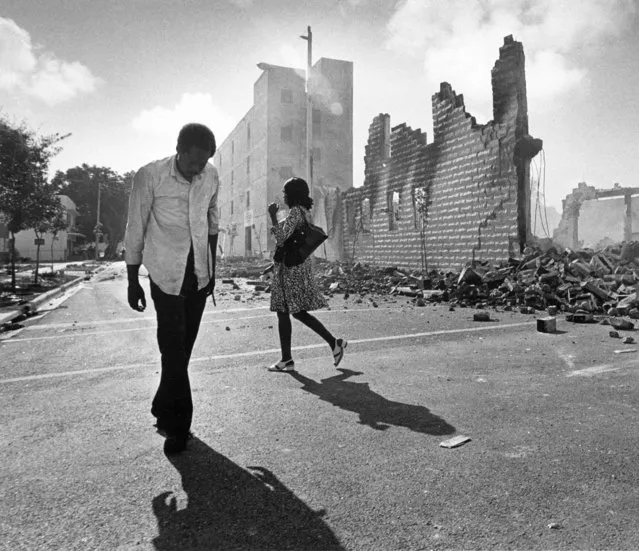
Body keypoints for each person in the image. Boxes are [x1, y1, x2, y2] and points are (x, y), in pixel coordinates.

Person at [125, 123, 219, 454]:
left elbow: (212, 219)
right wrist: (132, 277)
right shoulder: (149, 175)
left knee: (182, 352)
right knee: (172, 351)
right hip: (165, 275)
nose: (198, 170)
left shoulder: (210, 175)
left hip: (198, 277)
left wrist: (212, 270)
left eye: (204, 162)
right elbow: (135, 224)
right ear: (179, 149)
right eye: (193, 162)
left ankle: (162, 405)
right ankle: (179, 427)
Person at [267, 177, 347, 372]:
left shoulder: (295, 212)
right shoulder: (305, 212)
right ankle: (291, 357)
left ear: (292, 195)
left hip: (290, 270)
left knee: (290, 311)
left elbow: (281, 238)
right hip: (294, 266)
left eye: (286, 192)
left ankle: (327, 345)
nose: (284, 196)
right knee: (290, 311)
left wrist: (272, 216)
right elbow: (289, 241)